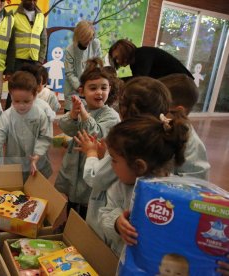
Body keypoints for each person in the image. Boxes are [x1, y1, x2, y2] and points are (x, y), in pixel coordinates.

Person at [80, 76, 211, 242]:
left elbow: (96, 178)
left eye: (114, 159)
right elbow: (199, 185)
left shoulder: (128, 140)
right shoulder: (181, 134)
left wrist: (91, 154)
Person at [94, 113, 189, 256]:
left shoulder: (178, 194)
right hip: (121, 260)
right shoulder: (119, 188)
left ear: (139, 166)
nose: (111, 166)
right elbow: (104, 215)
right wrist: (116, 223)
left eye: (113, 160)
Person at [54, 58, 120, 218]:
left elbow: (95, 134)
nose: (99, 92)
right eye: (93, 88)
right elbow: (66, 128)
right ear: (82, 91)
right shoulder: (81, 108)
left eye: (103, 88)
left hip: (92, 163)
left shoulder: (111, 115)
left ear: (109, 89)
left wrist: (83, 114)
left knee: (87, 202)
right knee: (72, 198)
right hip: (74, 162)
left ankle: (82, 231)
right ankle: (69, 226)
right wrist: (73, 115)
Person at [0, 71, 53, 182]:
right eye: (16, 101)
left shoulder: (40, 114)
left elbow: (45, 136)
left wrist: (37, 154)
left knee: (35, 188)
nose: (21, 106)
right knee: (16, 188)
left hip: (37, 161)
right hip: (15, 162)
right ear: (10, 95)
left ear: (35, 95)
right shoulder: (8, 115)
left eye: (26, 101)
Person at [159, 73, 210, 179]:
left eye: (159, 107)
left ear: (178, 110)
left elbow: (196, 184)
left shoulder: (192, 144)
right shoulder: (162, 128)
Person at [5, 0, 47, 109]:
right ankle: (9, 119)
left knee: (31, 91)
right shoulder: (13, 14)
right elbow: (8, 40)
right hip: (17, 61)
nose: (32, 2)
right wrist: (9, 66)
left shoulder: (40, 16)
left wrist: (40, 61)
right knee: (14, 90)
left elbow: (43, 40)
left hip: (34, 61)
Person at [63, 20, 102, 113]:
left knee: (88, 119)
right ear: (78, 37)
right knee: (71, 120)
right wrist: (80, 87)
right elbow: (69, 73)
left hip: (91, 87)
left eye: (90, 38)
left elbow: (99, 64)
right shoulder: (70, 50)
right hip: (74, 89)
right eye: (86, 39)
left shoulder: (95, 44)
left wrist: (91, 85)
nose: (88, 42)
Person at [108, 39, 193, 80]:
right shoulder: (134, 64)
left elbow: (140, 80)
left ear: (123, 51)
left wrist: (116, 81)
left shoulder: (142, 54)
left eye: (117, 58)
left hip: (184, 82)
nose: (117, 61)